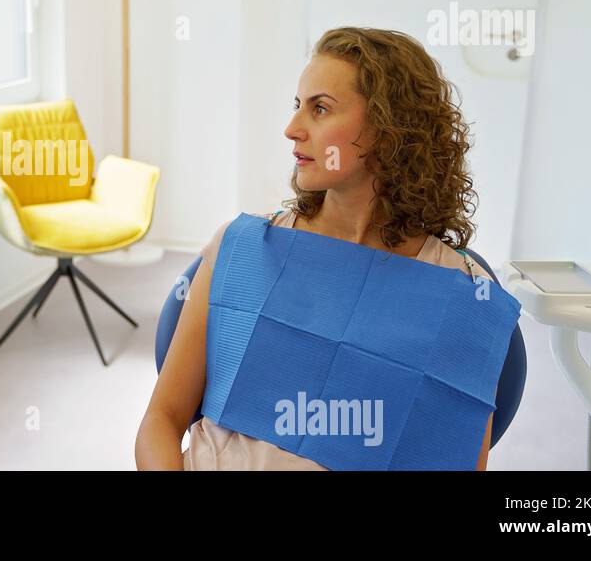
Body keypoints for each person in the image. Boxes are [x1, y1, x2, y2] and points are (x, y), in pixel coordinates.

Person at [136, 27, 495, 470]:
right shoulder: (241, 248)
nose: (292, 129)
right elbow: (161, 419)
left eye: (320, 108)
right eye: (297, 106)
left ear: (388, 129)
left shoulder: (458, 292)